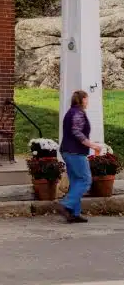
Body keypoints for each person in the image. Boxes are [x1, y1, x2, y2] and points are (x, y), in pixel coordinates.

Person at [59, 89, 104, 224]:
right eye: (87, 98)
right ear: (83, 99)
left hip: (68, 150)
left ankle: (74, 213)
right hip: (75, 152)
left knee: (75, 182)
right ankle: (67, 204)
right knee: (85, 180)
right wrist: (93, 145)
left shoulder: (70, 112)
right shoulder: (78, 113)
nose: (88, 101)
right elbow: (77, 132)